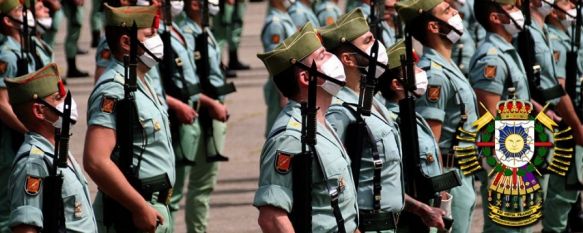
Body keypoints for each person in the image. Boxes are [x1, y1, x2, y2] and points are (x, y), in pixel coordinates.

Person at [320, 9, 446, 232]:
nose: (377, 45)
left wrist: (419, 209)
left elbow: (381, 177)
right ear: (348, 59)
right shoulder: (339, 113)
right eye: (368, 41)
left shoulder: (373, 102)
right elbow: (333, 184)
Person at [254, 22, 359, 233]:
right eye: (322, 56)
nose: (333, 59)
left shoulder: (321, 122)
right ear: (305, 77)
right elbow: (272, 218)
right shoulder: (290, 137)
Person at [84, 4, 175, 232]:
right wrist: (139, 207)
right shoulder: (113, 89)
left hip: (154, 207)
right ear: (126, 42)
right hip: (132, 212)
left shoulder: (141, 79)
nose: (157, 38)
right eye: (150, 34)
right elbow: (96, 160)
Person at [395, 1, 480, 233]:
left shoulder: (447, 66)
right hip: (448, 178)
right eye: (447, 10)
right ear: (434, 27)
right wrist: (440, 193)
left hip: (463, 173)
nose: (456, 12)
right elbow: (429, 143)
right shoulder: (435, 75)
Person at [5, 63, 98, 233]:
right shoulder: (33, 163)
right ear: (39, 111)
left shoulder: (56, 149)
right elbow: (26, 229)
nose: (66, 102)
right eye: (58, 98)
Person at [169, 0, 231, 231]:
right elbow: (185, 83)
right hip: (195, 114)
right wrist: (210, 102)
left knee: (203, 186)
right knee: (178, 190)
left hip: (209, 111)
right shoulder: (186, 33)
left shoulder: (204, 29)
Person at [379, 39, 450, 233]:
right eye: (412, 68)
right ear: (396, 84)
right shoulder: (393, 123)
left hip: (432, 213)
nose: (420, 72)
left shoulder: (414, 117)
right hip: (414, 218)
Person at [544, 1, 583, 232]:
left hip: (573, 119)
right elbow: (559, 90)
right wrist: (576, 125)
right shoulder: (555, 40)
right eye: (565, 2)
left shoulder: (569, 36)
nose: (572, 7)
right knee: (561, 196)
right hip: (565, 125)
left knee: (569, 193)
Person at [0, 0, 38, 229]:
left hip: (21, 139)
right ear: (7, 20)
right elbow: (2, 104)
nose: (26, 14)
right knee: (7, 210)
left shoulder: (25, 51)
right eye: (20, 11)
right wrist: (30, 130)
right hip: (9, 143)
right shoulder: (7, 56)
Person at [261, 0, 296, 136]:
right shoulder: (275, 24)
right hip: (280, 87)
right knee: (278, 132)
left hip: (289, 84)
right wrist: (283, 93)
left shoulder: (285, 17)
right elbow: (275, 60)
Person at [212, 0, 250, 75]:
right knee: (220, 34)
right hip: (221, 4)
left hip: (234, 4)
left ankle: (233, 60)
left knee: (235, 28)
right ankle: (218, 66)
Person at [62, 0, 89, 77]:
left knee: (74, 33)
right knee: (73, 34)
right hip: (71, 5)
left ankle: (72, 68)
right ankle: (71, 69)